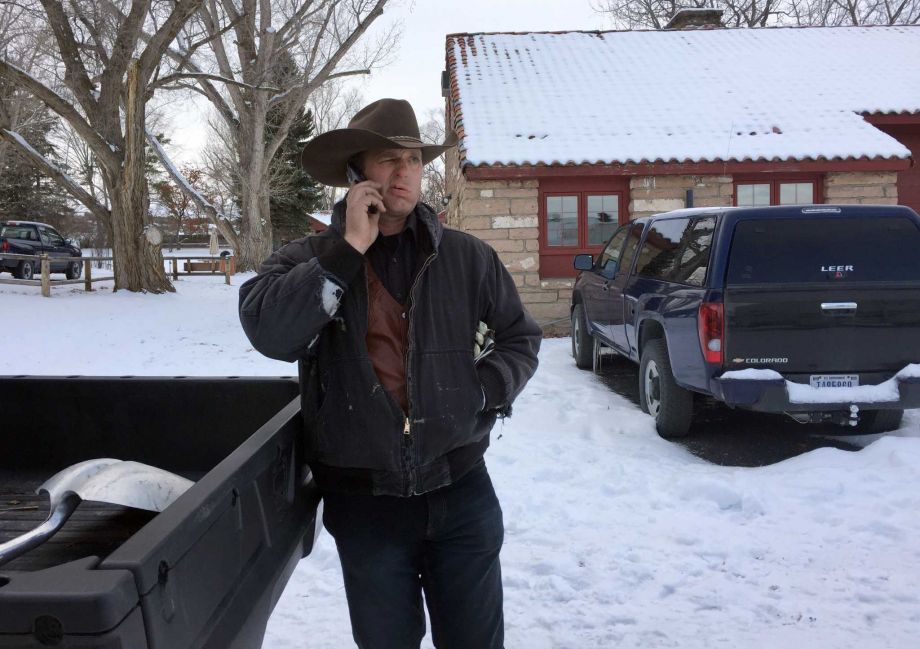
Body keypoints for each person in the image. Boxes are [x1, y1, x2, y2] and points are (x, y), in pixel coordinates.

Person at [238, 98, 541, 649]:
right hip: (365, 503)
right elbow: (270, 334)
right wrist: (348, 248)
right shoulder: (306, 259)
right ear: (357, 173)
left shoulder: (467, 257)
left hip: (461, 490)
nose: (404, 173)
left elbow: (520, 337)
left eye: (414, 161)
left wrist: (484, 387)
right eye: (387, 160)